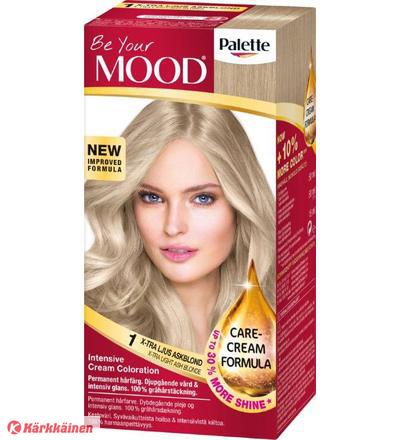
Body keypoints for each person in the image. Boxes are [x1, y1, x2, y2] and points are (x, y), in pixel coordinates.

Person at [85, 100, 275, 353]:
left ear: (240, 205)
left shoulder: (282, 318)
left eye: (202, 198)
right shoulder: (94, 322)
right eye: (152, 198)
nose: (173, 227)